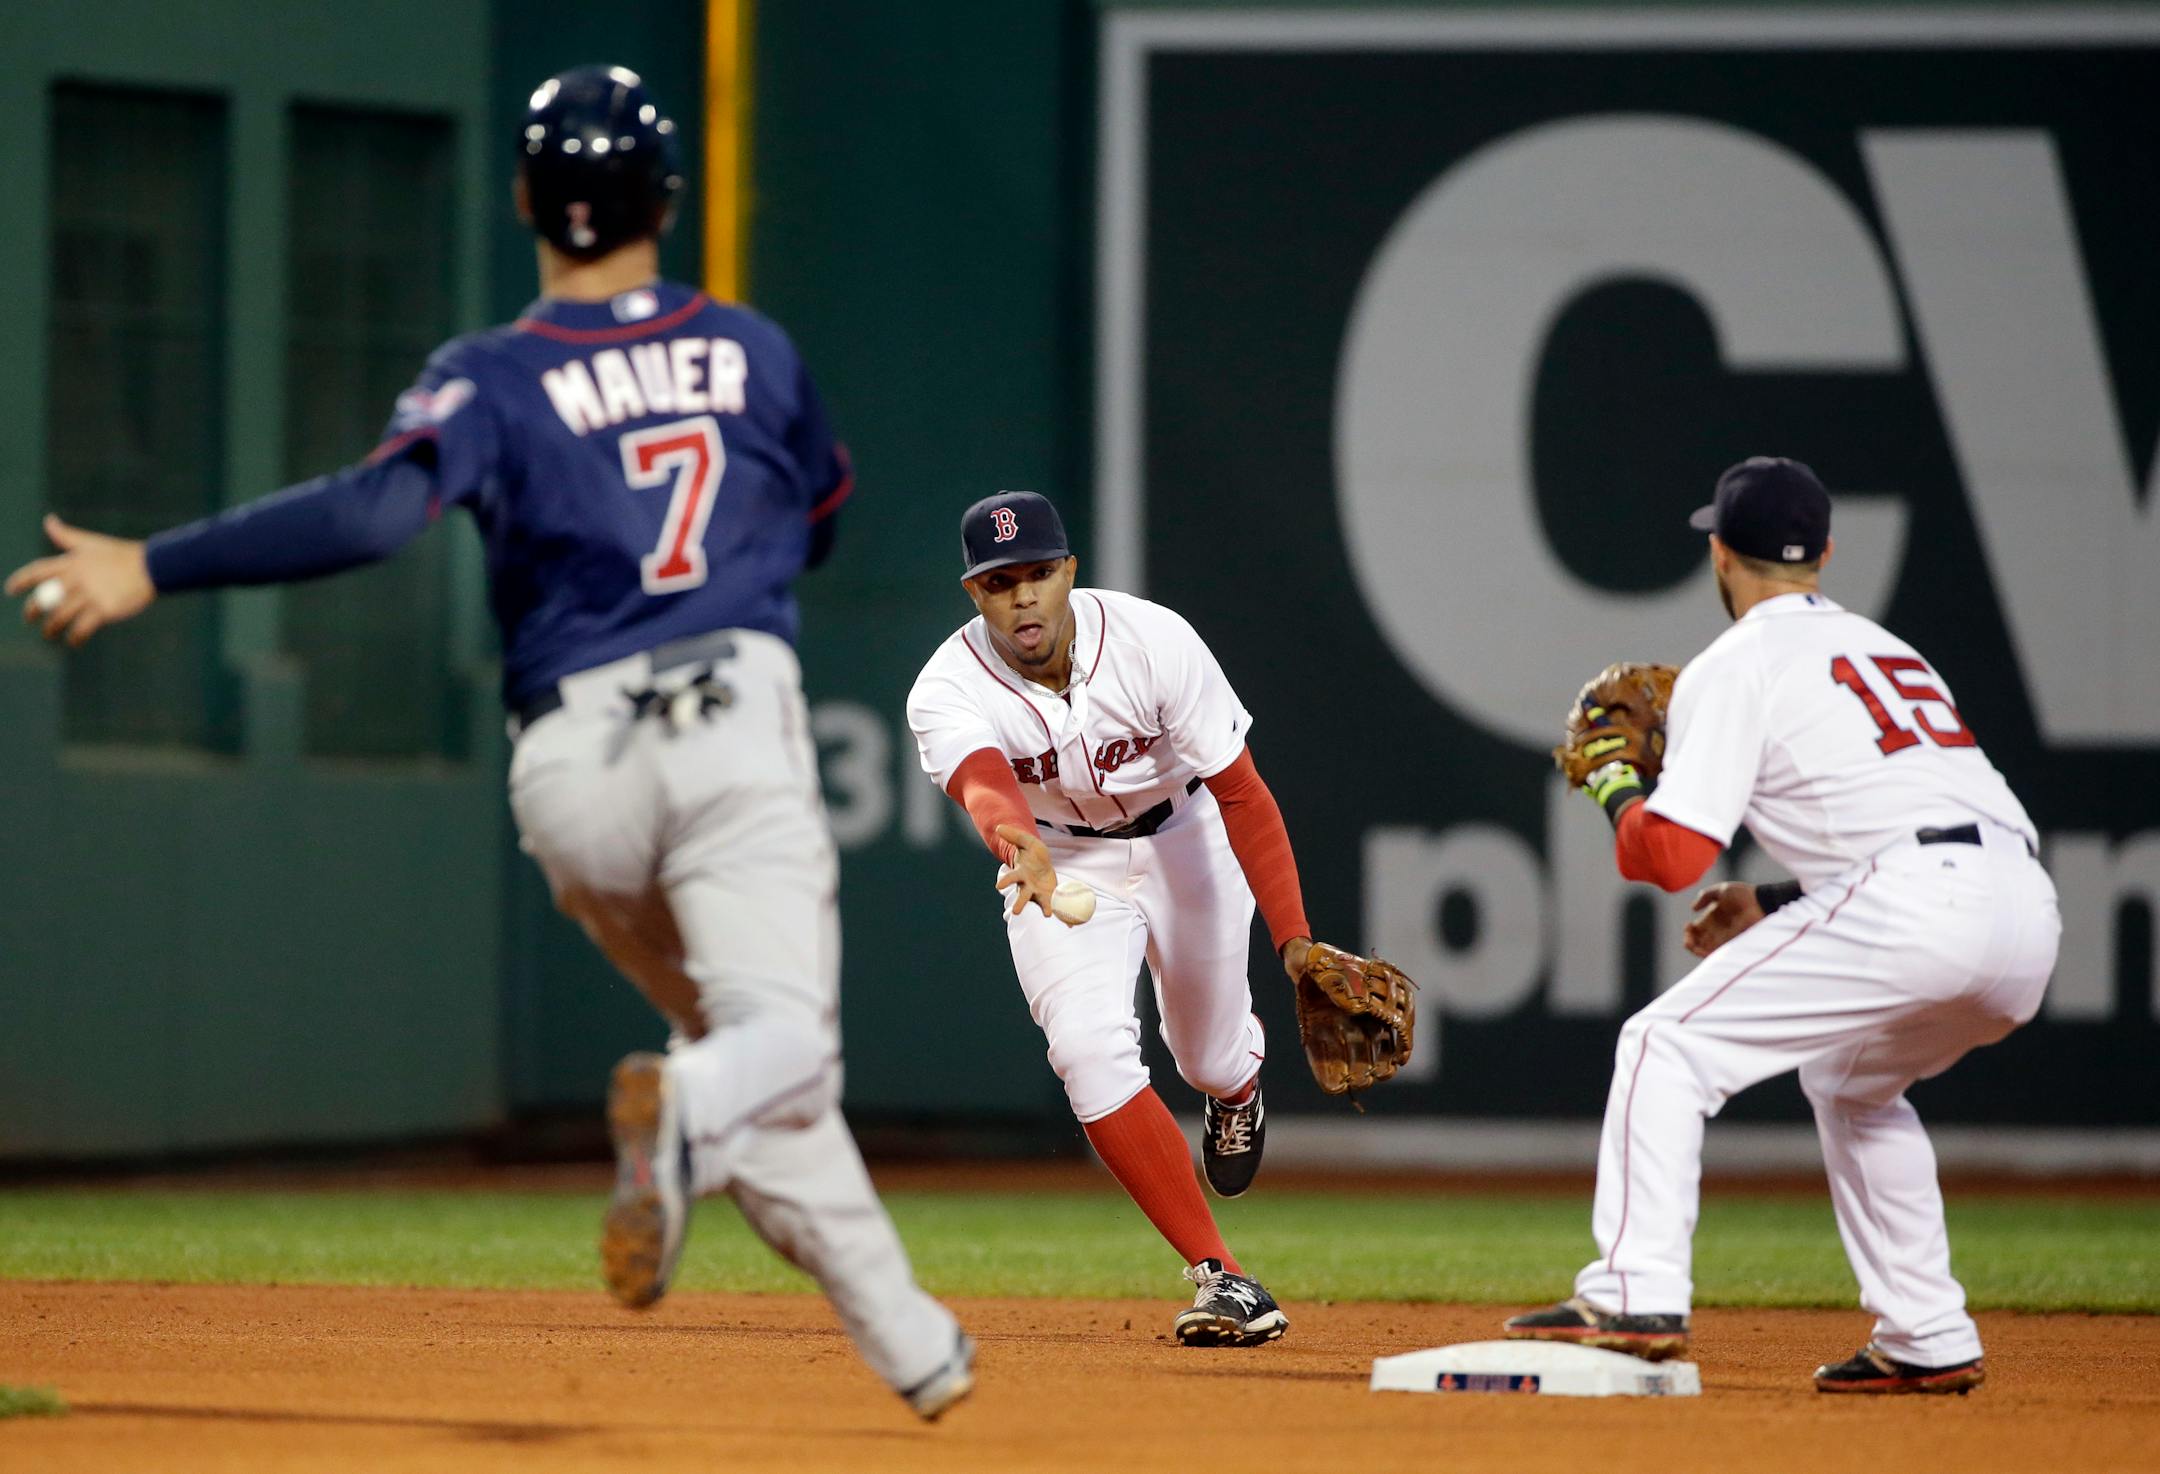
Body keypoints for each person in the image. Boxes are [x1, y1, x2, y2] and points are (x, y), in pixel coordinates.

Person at [7, 65, 973, 1420]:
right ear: (666, 198)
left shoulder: (492, 375)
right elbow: (821, 517)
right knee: (773, 1049)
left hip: (571, 772)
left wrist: (151, 568)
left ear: (526, 199)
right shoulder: (752, 350)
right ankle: (683, 1109)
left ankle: (914, 1342)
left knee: (739, 1049)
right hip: (727, 721)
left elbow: (369, 516)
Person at [1507, 457, 2059, 1394]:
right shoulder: (1891, 652)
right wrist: (1768, 901)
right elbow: (1917, 819)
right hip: (2026, 910)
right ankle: (1927, 1332)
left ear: (1719, 555)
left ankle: (1636, 1290)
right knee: (1850, 1080)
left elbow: (1672, 858)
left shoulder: (1738, 661)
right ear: (1827, 554)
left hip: (1913, 901)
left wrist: (1615, 786)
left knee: (1664, 1044)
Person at [905, 491, 1323, 1347]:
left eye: (1035, 575)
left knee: (1205, 1057)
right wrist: (1011, 838)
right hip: (1055, 863)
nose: (1021, 596)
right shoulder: (946, 687)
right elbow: (982, 780)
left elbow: (1241, 791)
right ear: (973, 594)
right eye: (998, 582)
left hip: (1185, 837)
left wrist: (1294, 940)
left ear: (1069, 572)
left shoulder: (1152, 640)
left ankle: (1237, 1085)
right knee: (1088, 1050)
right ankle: (1224, 1277)